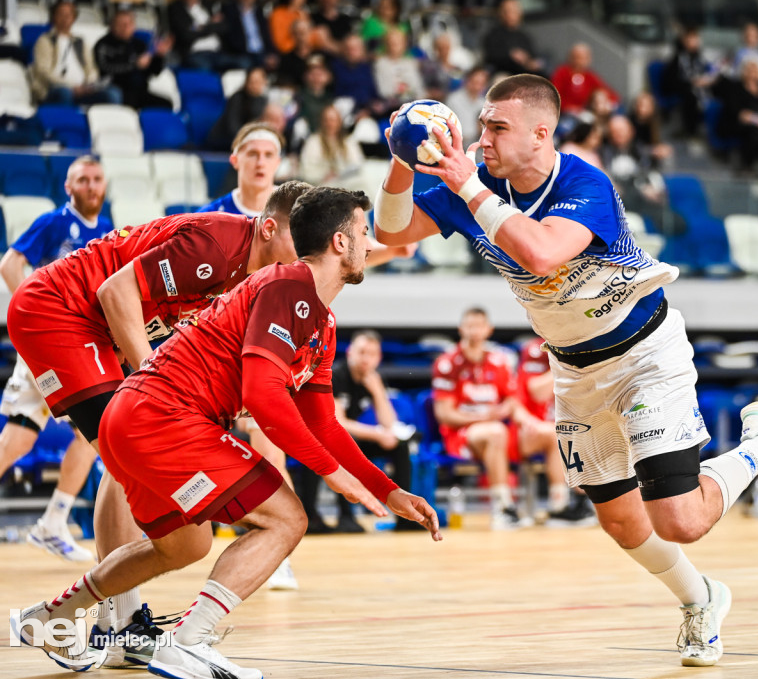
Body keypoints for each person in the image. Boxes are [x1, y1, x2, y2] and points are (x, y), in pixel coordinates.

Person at [374, 73, 758, 666]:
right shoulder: (478, 183)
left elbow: (539, 251)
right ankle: (702, 601)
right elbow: (391, 230)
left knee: (680, 521)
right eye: (482, 124)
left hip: (646, 355)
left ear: (541, 134)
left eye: (497, 126)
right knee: (619, 521)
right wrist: (401, 161)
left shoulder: (582, 181)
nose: (481, 137)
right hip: (575, 371)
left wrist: (467, 188)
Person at [11, 187, 441, 677]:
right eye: (365, 233)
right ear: (338, 243)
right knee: (286, 518)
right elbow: (262, 397)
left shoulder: (319, 318)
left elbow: (323, 422)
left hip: (142, 415)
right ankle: (183, 640)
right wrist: (332, 474)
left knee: (187, 545)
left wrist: (386, 489)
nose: (372, 245)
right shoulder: (282, 286)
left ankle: (52, 617)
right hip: (118, 370)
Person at [6, 181, 312, 669]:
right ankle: (119, 624)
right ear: (270, 227)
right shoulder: (217, 245)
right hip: (58, 309)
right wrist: (154, 386)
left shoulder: (255, 276)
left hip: (96, 327)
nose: (307, 258)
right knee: (123, 447)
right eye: (303, 241)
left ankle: (102, 620)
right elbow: (114, 290)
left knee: (154, 495)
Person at [0, 157, 113, 562]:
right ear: (69, 186)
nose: (91, 186)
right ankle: (53, 520)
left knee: (21, 436)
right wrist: (35, 316)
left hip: (73, 344)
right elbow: (10, 264)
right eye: (83, 179)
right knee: (95, 429)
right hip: (52, 342)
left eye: (97, 179)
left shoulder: (106, 230)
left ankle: (52, 523)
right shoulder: (53, 222)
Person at [431, 307, 531, 529]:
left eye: (479, 326)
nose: (474, 331)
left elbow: (513, 398)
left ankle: (561, 507)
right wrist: (483, 417)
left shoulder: (499, 360)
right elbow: (444, 414)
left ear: (489, 330)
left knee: (545, 434)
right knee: (496, 432)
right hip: (461, 435)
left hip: (498, 430)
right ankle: (503, 508)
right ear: (460, 329)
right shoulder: (447, 363)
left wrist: (506, 409)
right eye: (469, 326)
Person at [315, 329, 418, 532]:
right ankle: (346, 517)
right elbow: (338, 422)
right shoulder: (336, 375)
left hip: (354, 439)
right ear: (351, 352)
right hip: (326, 438)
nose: (366, 359)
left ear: (378, 358)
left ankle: (405, 518)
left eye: (371, 354)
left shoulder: (373, 379)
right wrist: (378, 434)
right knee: (342, 443)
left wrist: (378, 391)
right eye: (362, 352)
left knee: (400, 446)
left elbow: (389, 423)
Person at [517, 336, 596, 525]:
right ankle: (559, 506)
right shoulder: (535, 349)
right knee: (557, 433)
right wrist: (566, 362)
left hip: (567, 427)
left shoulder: (583, 344)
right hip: (530, 428)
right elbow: (538, 392)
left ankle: (586, 500)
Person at [29, 1, 121, 105]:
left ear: (74, 18)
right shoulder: (45, 40)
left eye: (68, 15)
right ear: (54, 17)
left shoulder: (80, 41)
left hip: (83, 90)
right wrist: (70, 87)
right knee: (65, 93)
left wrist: (89, 85)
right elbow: (43, 71)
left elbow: (91, 69)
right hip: (56, 89)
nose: (65, 18)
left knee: (113, 93)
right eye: (61, 14)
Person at [93, 9, 173, 109]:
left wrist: (159, 56)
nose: (126, 28)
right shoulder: (103, 45)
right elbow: (106, 69)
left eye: (129, 24)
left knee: (166, 104)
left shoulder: (139, 44)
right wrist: (134, 65)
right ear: (112, 26)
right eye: (121, 24)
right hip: (117, 89)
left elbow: (154, 72)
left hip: (140, 91)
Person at [661, 25, 714, 138]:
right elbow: (671, 80)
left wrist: (707, 80)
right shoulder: (678, 58)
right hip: (683, 88)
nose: (694, 42)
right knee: (691, 95)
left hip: (701, 85)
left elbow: (705, 71)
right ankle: (691, 131)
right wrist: (692, 82)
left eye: (695, 39)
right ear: (684, 41)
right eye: (690, 39)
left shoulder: (699, 57)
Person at [299, 104, 367, 189]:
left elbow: (358, 164)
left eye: (333, 120)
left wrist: (340, 173)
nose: (330, 123)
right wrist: (323, 175)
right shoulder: (313, 142)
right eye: (326, 120)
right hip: (321, 185)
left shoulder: (348, 142)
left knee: (362, 183)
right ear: (322, 122)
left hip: (346, 182)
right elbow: (306, 169)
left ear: (339, 122)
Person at [208, 66, 269, 151]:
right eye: (252, 82)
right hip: (224, 140)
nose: (255, 85)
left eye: (258, 82)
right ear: (246, 82)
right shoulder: (237, 98)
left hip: (247, 142)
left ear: (264, 82)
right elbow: (232, 127)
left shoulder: (263, 101)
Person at [550, 42, 619, 117]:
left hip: (586, 113)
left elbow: (609, 93)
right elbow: (553, 96)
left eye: (583, 58)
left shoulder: (590, 76)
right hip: (564, 114)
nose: (579, 61)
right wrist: (568, 108)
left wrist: (608, 105)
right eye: (576, 57)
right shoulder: (562, 72)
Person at [482, 0, 543, 77]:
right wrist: (511, 55)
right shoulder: (493, 35)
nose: (513, 14)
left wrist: (531, 62)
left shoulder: (524, 36)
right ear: (501, 14)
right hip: (504, 74)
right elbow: (490, 57)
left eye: (516, 10)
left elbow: (533, 55)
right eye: (509, 11)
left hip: (524, 73)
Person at [373, 28, 426, 110]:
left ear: (404, 44)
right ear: (386, 44)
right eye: (392, 43)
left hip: (413, 106)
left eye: (398, 43)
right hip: (390, 108)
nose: (395, 46)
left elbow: (419, 89)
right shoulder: (380, 64)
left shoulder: (410, 63)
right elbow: (383, 91)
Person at [220, 0, 274, 70]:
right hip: (241, 53)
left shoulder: (259, 12)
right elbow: (230, 38)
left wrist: (271, 53)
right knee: (245, 63)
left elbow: (267, 36)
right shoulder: (229, 10)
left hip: (261, 52)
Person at [446, 66, 490, 146]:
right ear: (467, 81)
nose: (477, 87)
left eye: (481, 84)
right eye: (475, 82)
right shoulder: (453, 100)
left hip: (477, 144)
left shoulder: (484, 103)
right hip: (457, 143)